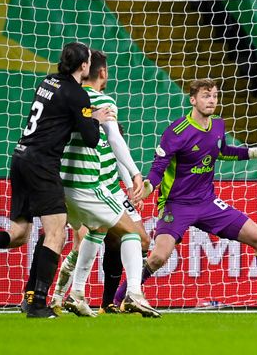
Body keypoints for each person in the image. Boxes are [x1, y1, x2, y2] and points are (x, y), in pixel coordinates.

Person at [0, 42, 114, 318]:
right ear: (84, 66)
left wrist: (84, 116)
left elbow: (57, 117)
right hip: (42, 165)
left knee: (19, 234)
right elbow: (92, 139)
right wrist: (94, 118)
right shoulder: (78, 95)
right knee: (56, 233)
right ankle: (37, 305)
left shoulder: (47, 82)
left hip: (20, 158)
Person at [113, 79, 257, 313]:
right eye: (206, 96)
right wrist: (144, 190)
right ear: (193, 100)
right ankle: (118, 301)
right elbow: (157, 170)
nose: (212, 100)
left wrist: (255, 152)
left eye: (214, 96)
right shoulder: (176, 132)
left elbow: (222, 151)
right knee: (157, 259)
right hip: (177, 205)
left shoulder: (217, 125)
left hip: (207, 203)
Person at [50, 50, 157, 317]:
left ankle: (72, 294)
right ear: (103, 73)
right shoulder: (102, 100)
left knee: (94, 231)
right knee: (132, 234)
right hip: (89, 185)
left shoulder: (65, 96)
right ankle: (134, 294)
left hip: (59, 184)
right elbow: (115, 139)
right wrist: (134, 173)